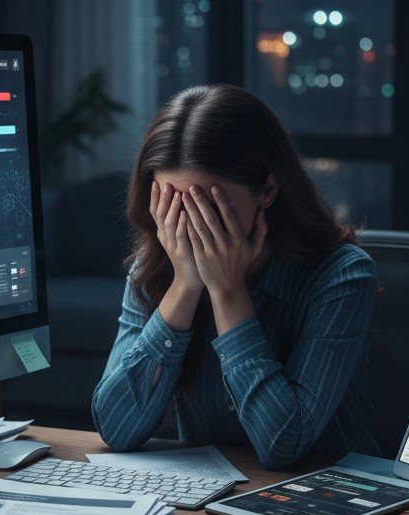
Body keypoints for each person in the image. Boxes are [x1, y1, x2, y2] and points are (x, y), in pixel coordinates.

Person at [91, 84, 378, 469]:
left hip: (328, 498)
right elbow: (116, 428)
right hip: (211, 504)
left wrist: (228, 291)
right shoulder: (154, 271)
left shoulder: (342, 276)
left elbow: (284, 445)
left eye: (207, 206)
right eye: (172, 207)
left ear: (268, 190)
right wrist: (185, 286)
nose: (189, 228)